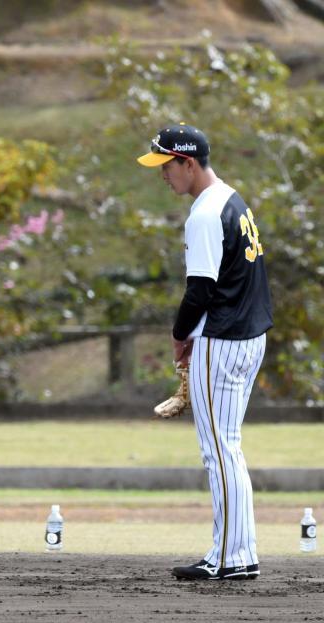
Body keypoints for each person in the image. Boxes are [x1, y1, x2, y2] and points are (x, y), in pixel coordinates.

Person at [137, 124, 273, 581]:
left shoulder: (205, 214)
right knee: (227, 448)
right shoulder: (232, 199)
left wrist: (180, 335)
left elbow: (200, 290)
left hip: (223, 339)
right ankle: (238, 553)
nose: (163, 175)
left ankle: (230, 558)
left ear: (188, 163)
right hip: (249, 336)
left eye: (167, 165)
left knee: (219, 450)